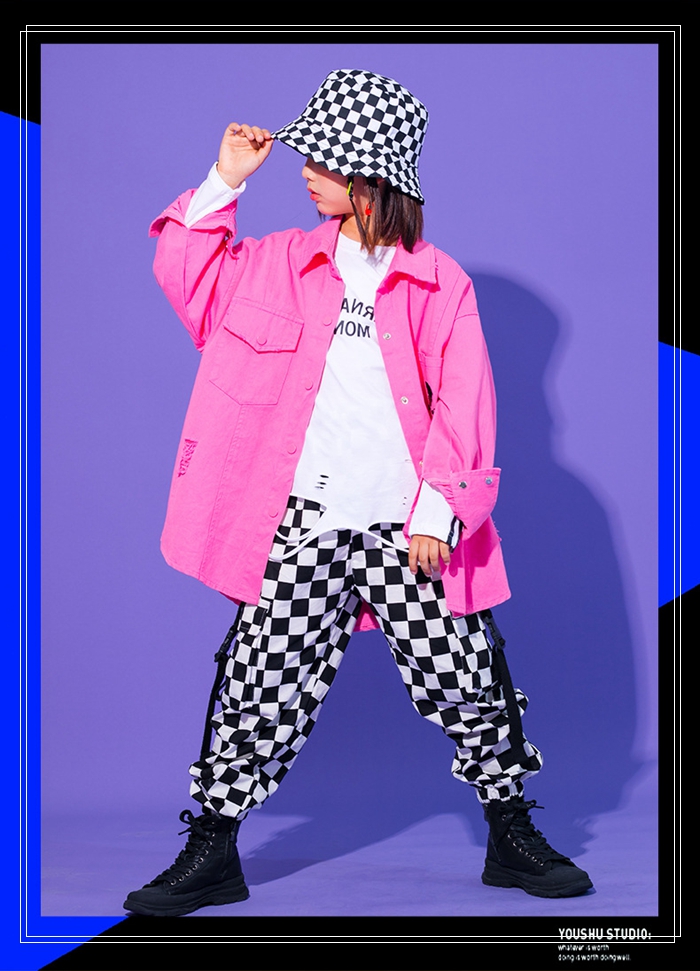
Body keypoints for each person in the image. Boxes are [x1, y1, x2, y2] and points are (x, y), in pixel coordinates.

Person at [124, 69, 593, 917]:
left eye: (324, 158)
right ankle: (213, 847)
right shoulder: (273, 264)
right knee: (258, 681)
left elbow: (465, 403)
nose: (305, 171)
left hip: (406, 525)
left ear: (369, 173)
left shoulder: (439, 282)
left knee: (466, 674)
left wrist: (439, 511)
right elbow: (186, 275)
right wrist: (225, 180)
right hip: (301, 521)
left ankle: (511, 830)